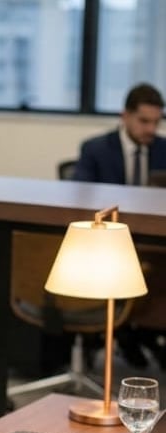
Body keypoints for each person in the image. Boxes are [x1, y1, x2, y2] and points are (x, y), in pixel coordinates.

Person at [72, 82, 166, 368]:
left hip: (153, 242)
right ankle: (127, 334)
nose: (151, 129)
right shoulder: (95, 149)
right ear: (125, 116)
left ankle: (143, 332)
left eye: (156, 122)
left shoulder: (163, 150)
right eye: (144, 121)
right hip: (107, 244)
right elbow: (78, 196)